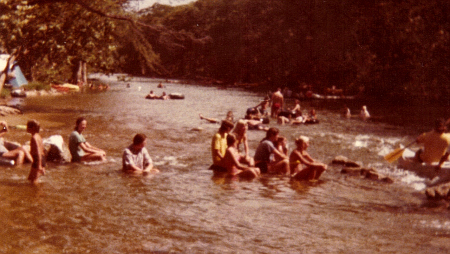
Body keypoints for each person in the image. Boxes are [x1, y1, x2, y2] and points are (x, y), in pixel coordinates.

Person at [27, 120, 45, 184]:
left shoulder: (34, 138)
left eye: (28, 126)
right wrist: (43, 164)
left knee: (34, 181)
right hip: (40, 158)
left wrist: (39, 165)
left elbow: (38, 152)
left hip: (37, 159)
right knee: (30, 179)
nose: (26, 128)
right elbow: (42, 150)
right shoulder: (38, 136)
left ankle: (37, 193)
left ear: (33, 128)